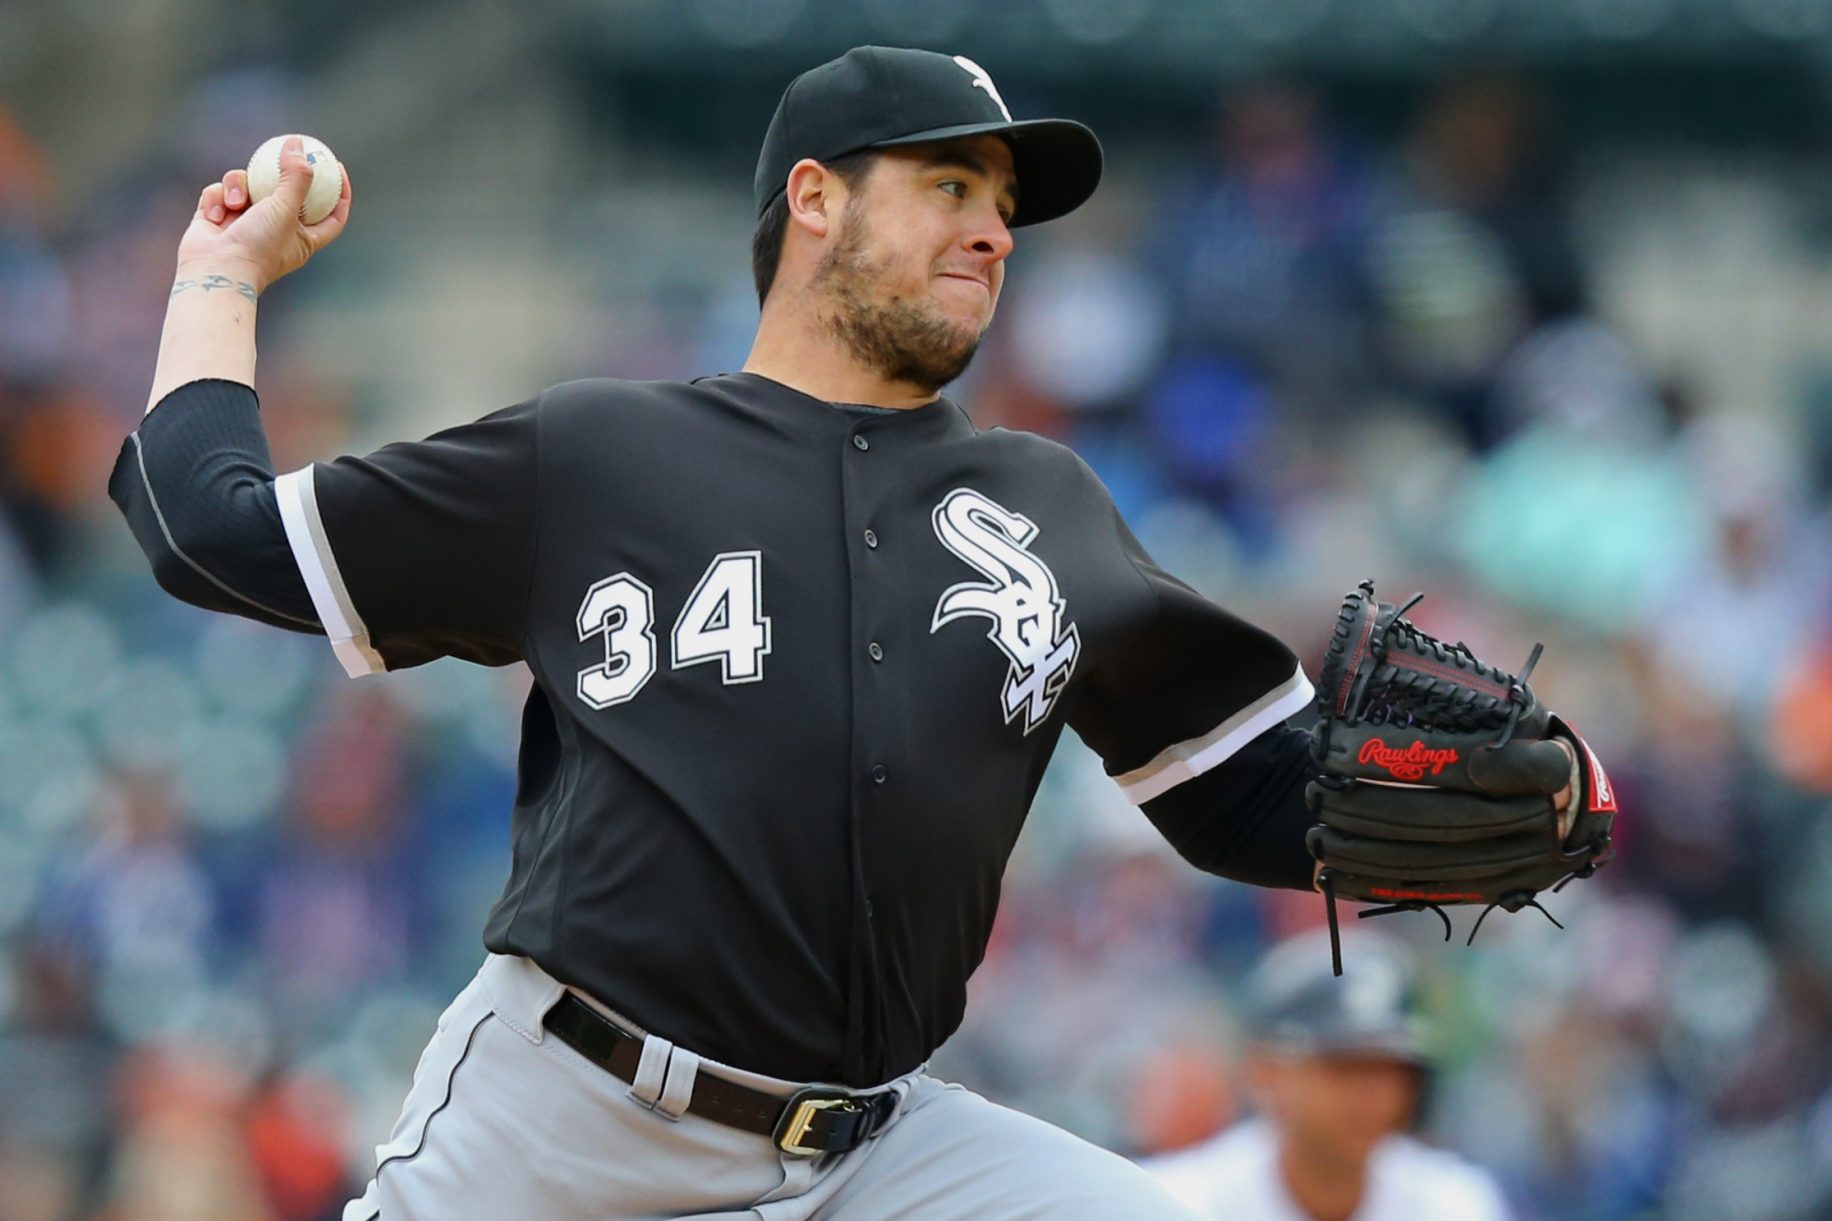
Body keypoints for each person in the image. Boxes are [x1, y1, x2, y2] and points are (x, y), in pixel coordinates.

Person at [107, 45, 1573, 1219]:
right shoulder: (600, 455)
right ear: (814, 199)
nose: (995, 230)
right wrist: (220, 281)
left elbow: (1242, 783)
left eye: (1003, 204)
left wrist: (1496, 799)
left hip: (877, 1156)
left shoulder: (1041, 504)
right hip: (568, 1131)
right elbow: (207, 529)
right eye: (950, 185)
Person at [1140, 930, 1511, 1221]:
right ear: (1264, 1071)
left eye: (1388, 1069)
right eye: (1343, 1066)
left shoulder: (1452, 1206)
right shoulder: (1178, 1205)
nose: (1371, 1094)